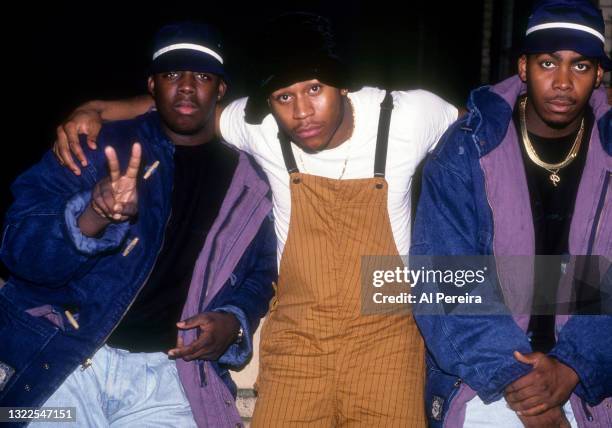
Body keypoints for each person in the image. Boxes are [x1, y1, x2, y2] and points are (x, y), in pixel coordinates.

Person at [52, 13, 458, 426]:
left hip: (385, 330)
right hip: (300, 333)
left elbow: (491, 152)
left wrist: (465, 278)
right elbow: (191, 108)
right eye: (284, 97)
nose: (302, 112)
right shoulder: (259, 126)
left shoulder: (408, 115)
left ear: (343, 83)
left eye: (315, 89)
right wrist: (98, 109)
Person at [0, 22, 276, 428]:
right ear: (152, 85)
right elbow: (18, 252)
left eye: (201, 76)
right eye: (171, 75)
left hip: (170, 380)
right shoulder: (92, 145)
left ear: (221, 91)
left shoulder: (251, 180)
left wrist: (234, 320)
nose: (185, 87)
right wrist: (92, 215)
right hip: (60, 363)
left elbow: (262, 272)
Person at [410, 0, 611, 427]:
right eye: (547, 63)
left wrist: (572, 366)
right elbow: (443, 279)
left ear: (598, 75)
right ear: (523, 67)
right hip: (487, 382)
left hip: (595, 382)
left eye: (579, 67)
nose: (561, 82)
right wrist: (526, 390)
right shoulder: (466, 149)